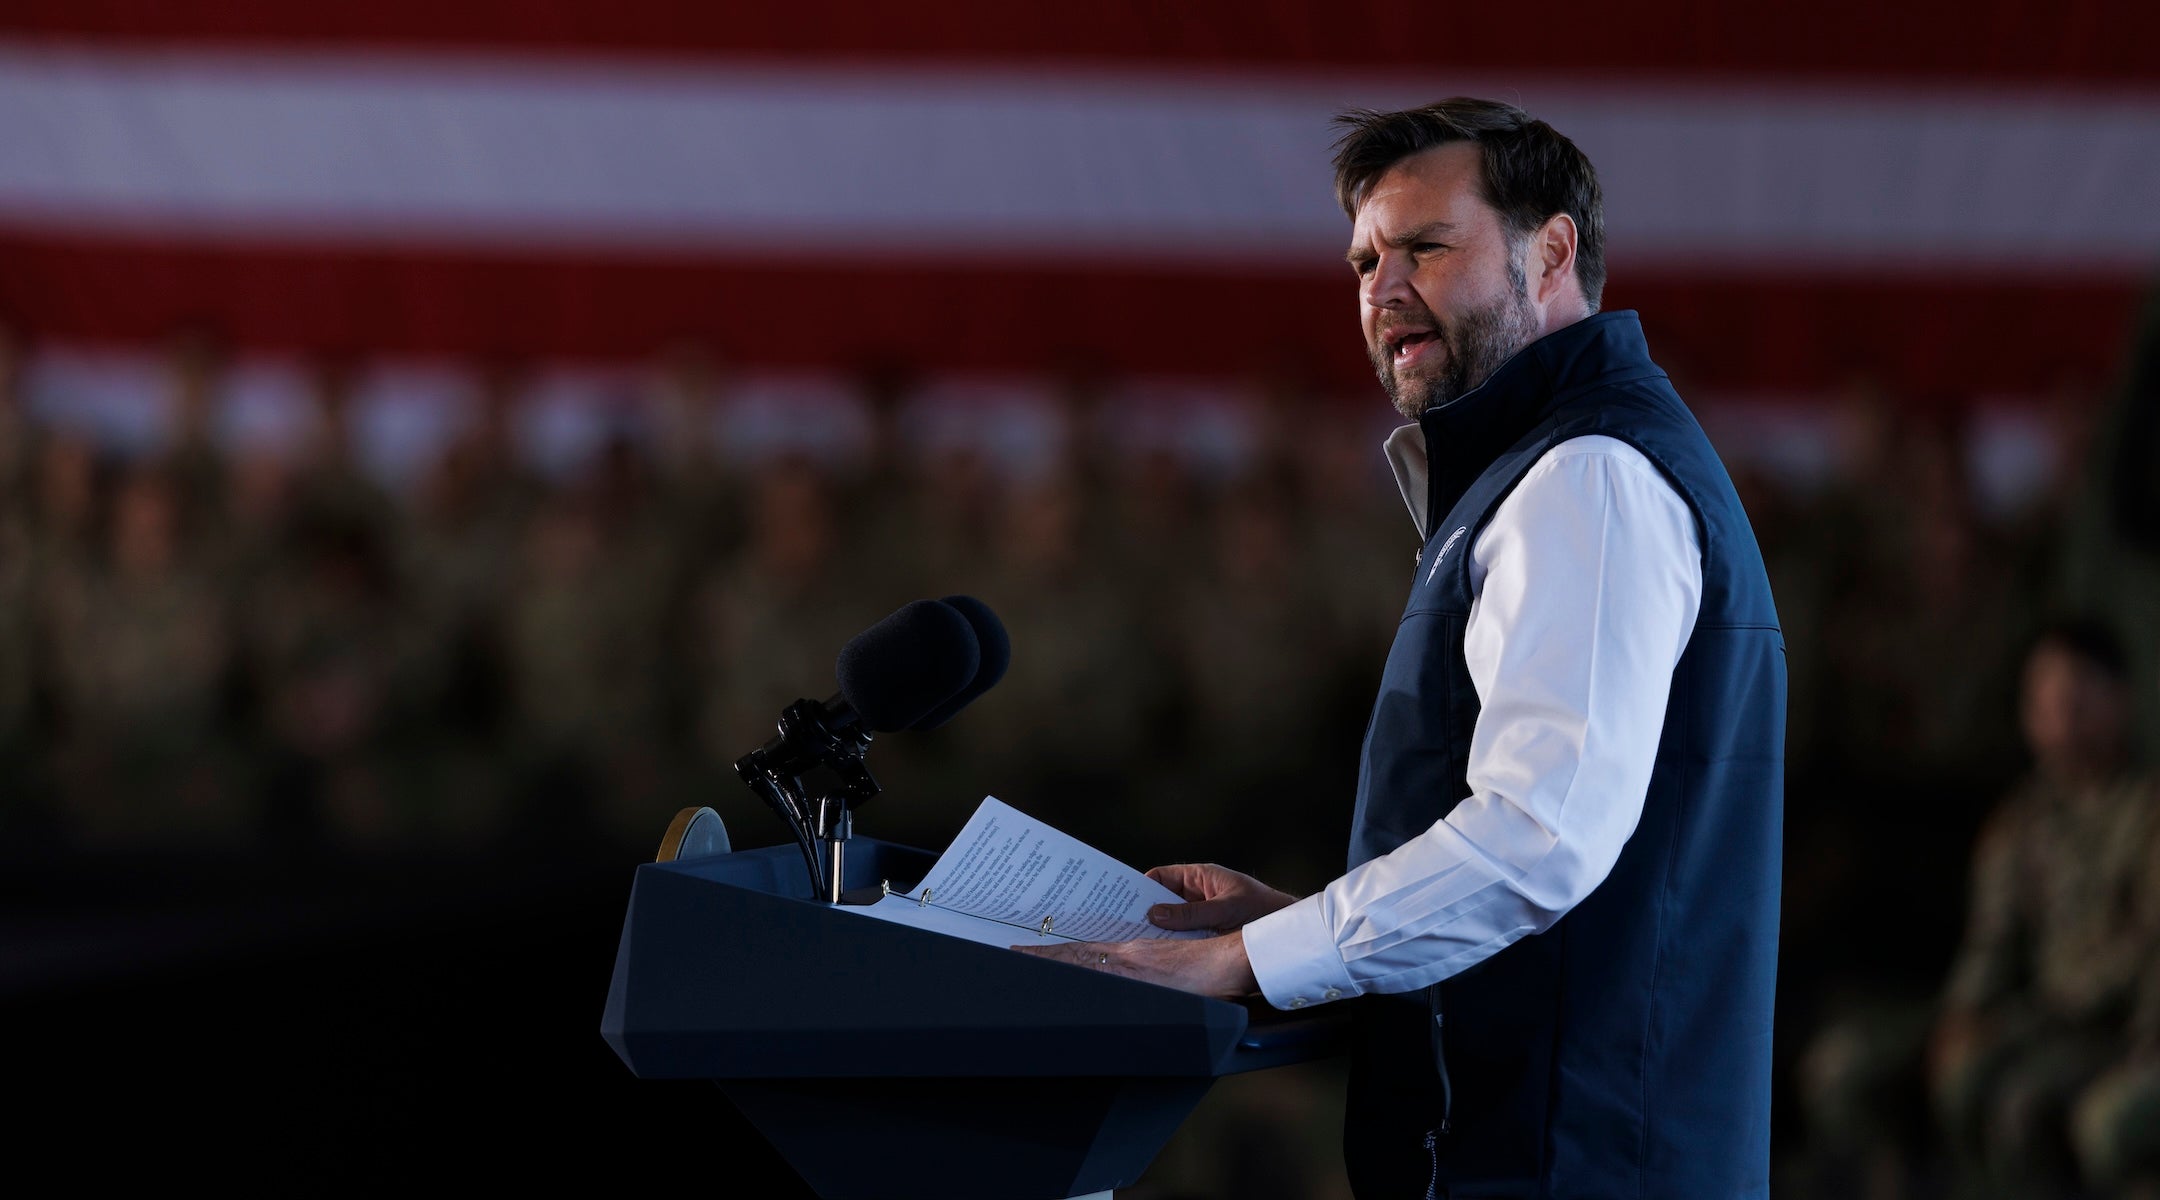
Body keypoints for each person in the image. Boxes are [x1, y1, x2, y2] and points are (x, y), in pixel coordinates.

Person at [1015, 98, 1787, 1198]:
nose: (1382, 290)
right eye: (1366, 258)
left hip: (1569, 1165)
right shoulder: (1548, 467)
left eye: (1426, 246)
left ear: (1551, 250)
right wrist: (1303, 923)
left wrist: (1244, 961)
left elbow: (1539, 836)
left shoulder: (1591, 478)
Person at [1926, 617, 2157, 1198]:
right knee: (1966, 1079)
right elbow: (1991, 940)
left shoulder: (2146, 812)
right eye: (2047, 699)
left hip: (2114, 1026)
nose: (2061, 716)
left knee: (2024, 1106)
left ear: (2121, 701)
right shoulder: (2022, 820)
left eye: (2079, 696)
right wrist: (1967, 1013)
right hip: (2050, 1020)